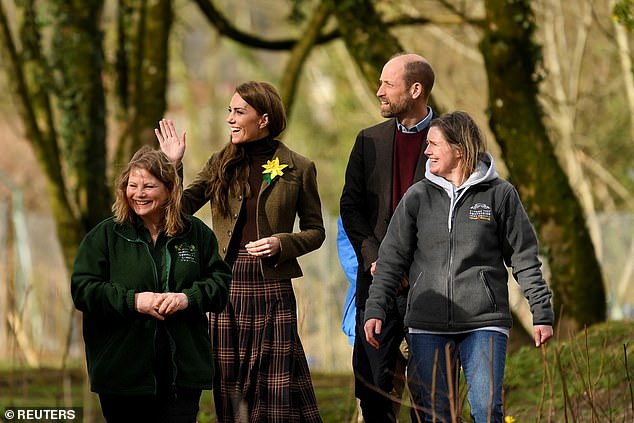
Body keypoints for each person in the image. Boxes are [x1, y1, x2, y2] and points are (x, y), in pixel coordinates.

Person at [364, 111, 555, 422]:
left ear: (459, 149)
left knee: (486, 410)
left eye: (434, 144)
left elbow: (523, 257)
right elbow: (391, 258)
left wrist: (541, 313)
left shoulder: (500, 195)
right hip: (427, 325)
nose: (426, 151)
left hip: (484, 322)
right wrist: (376, 309)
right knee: (436, 414)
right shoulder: (417, 197)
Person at [156, 80, 325, 423]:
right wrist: (174, 166)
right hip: (225, 285)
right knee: (229, 385)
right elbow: (179, 209)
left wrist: (282, 243)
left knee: (274, 385)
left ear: (263, 119)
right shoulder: (221, 162)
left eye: (239, 112)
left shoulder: (299, 167)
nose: (230, 119)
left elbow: (316, 231)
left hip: (273, 285)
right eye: (229, 111)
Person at [71, 146, 232, 423]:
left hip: (181, 376)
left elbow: (220, 285)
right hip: (122, 375)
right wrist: (134, 301)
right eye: (132, 185)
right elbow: (83, 290)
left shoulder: (196, 234)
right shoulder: (105, 236)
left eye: (149, 186)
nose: (139, 193)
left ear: (170, 189)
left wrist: (188, 298)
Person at [340, 52, 436, 422]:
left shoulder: (453, 141)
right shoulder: (368, 141)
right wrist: (376, 259)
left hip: (429, 289)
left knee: (431, 395)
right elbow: (351, 208)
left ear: (416, 89)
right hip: (376, 284)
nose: (378, 91)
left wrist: (412, 266)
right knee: (373, 391)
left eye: (387, 84)